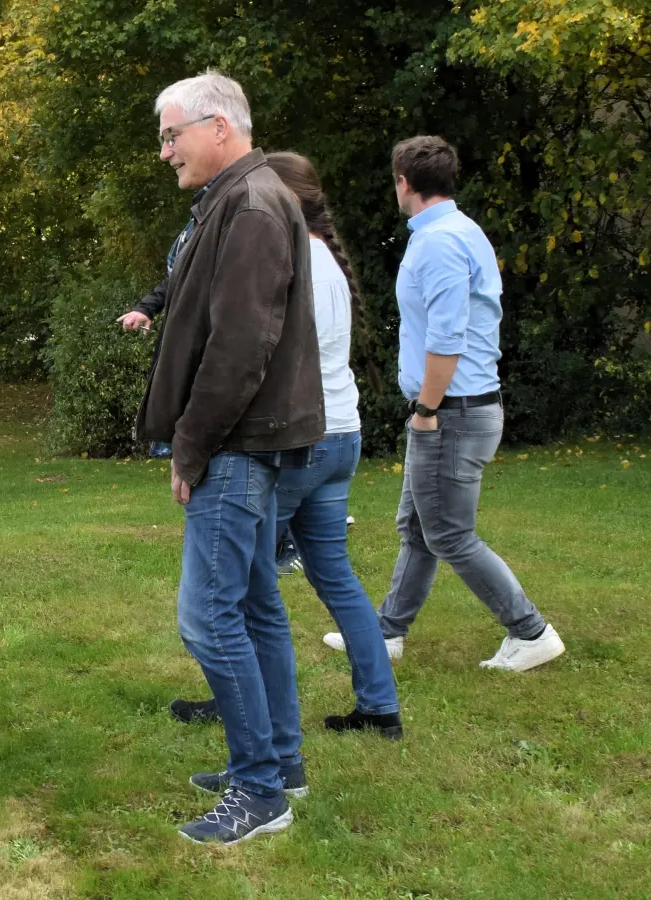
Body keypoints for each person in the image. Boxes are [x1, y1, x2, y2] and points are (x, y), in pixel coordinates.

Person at [134, 71, 325, 845]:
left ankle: (260, 790)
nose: (164, 151)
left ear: (219, 127)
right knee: (253, 606)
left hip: (237, 446)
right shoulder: (240, 199)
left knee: (208, 619)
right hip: (249, 442)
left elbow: (242, 346)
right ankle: (281, 761)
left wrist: (191, 444)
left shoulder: (249, 205)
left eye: (171, 134)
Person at [169, 152, 404, 741]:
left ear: (290, 200)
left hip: (304, 438)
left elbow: (263, 354)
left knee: (247, 589)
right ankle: (379, 705)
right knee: (334, 577)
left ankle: (246, 710)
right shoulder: (327, 259)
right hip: (344, 433)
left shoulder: (294, 256)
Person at [324, 137, 565, 672]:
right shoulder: (459, 231)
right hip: (453, 409)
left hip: (452, 411)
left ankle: (530, 631)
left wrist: (427, 409)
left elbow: (447, 337)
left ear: (404, 182)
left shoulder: (439, 243)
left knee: (449, 533)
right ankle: (386, 631)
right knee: (418, 527)